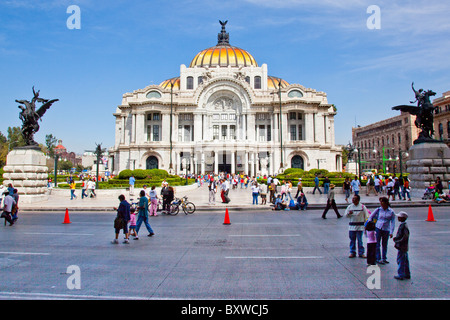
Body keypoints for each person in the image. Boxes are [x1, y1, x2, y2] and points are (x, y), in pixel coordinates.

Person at [368, 197, 396, 265]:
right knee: (377, 243)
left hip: (386, 229)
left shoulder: (391, 211)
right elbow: (371, 216)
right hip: (378, 227)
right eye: (380, 202)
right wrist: (371, 223)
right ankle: (378, 258)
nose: (381, 204)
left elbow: (393, 222)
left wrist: (391, 232)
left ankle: (384, 258)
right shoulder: (378, 209)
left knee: (384, 244)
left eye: (382, 202)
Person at [393, 211, 411, 280]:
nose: (398, 218)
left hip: (402, 246)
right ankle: (406, 273)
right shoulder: (403, 225)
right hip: (403, 246)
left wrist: (397, 241)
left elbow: (405, 236)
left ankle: (401, 274)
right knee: (405, 260)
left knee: (401, 260)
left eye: (399, 217)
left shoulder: (403, 226)